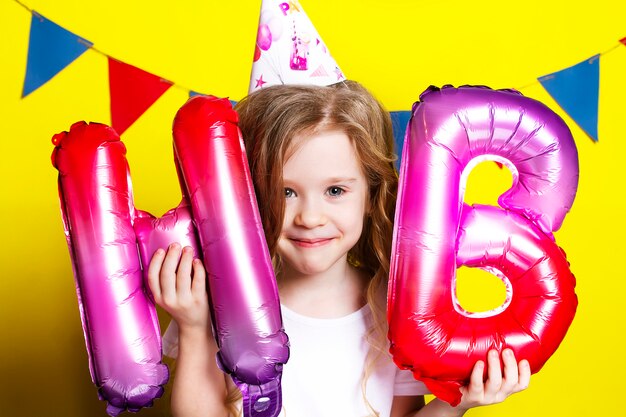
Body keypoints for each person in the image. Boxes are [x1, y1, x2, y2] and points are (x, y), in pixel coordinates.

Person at [147, 81, 531, 417]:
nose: (310, 217)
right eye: (285, 192)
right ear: (251, 198)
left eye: (335, 191)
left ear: (370, 195)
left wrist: (457, 402)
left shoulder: (396, 308)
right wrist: (194, 328)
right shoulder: (219, 301)